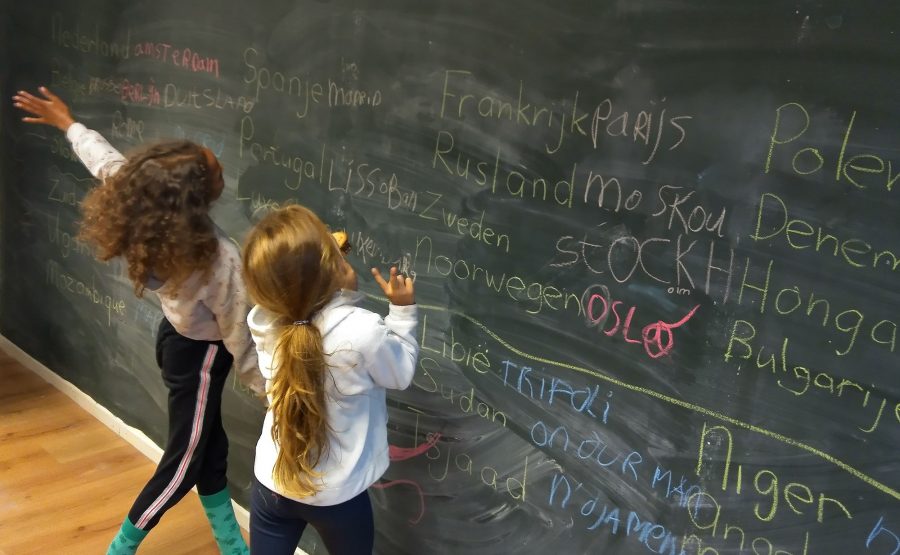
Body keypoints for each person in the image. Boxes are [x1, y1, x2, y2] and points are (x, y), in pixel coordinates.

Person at [13, 87, 266, 555]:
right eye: (214, 169)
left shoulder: (146, 210)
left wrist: (69, 124)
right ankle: (120, 548)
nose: (221, 167)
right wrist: (274, 395)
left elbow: (107, 164)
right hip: (202, 359)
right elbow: (238, 337)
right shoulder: (218, 259)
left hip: (174, 340)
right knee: (184, 464)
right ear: (194, 200)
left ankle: (233, 547)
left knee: (210, 453)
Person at [241, 205, 418, 554]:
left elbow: (306, 308)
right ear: (332, 273)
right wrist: (402, 312)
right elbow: (400, 373)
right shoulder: (363, 331)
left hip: (273, 481)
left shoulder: (264, 323)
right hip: (338, 496)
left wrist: (335, 283)